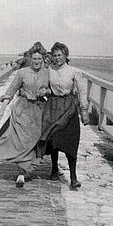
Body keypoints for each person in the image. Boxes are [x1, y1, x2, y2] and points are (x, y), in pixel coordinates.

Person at [0, 42, 50, 188]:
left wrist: (46, 92)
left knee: (32, 142)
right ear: (30, 58)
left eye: (39, 59)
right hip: (22, 109)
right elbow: (10, 91)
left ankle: (26, 168)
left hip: (38, 111)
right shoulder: (22, 73)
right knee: (22, 142)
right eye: (34, 59)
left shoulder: (47, 73)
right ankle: (21, 173)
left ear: (43, 59)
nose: (36, 62)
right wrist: (2, 110)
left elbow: (51, 90)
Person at [38, 42, 90, 188]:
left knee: (71, 141)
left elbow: (82, 92)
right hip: (53, 106)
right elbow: (45, 87)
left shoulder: (74, 71)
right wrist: (44, 91)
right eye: (54, 55)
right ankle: (54, 169)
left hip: (69, 108)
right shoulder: (49, 70)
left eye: (59, 55)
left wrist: (84, 111)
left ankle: (73, 178)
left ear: (65, 55)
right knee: (54, 139)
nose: (57, 58)